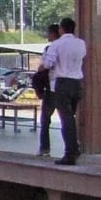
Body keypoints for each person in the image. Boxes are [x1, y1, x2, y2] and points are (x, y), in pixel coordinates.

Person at [39, 17, 86, 165]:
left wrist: (43, 67)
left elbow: (48, 64)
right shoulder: (81, 43)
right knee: (71, 116)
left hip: (62, 83)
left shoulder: (56, 45)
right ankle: (75, 147)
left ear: (61, 29)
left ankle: (70, 153)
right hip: (77, 83)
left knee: (66, 119)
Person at [34, 24, 61, 157]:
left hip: (52, 88)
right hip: (68, 86)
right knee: (67, 119)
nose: (47, 36)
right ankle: (73, 147)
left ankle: (44, 148)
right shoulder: (75, 45)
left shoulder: (50, 48)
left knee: (45, 119)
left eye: (49, 33)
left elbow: (46, 66)